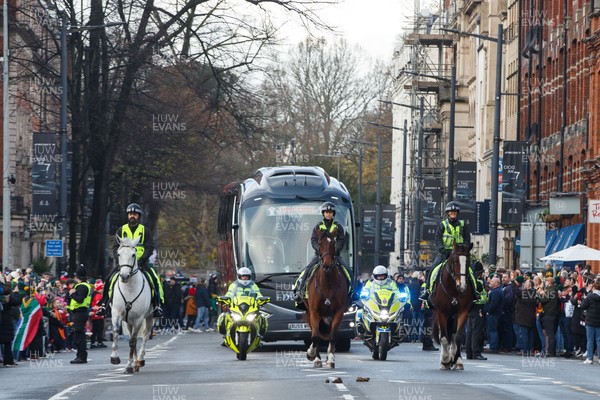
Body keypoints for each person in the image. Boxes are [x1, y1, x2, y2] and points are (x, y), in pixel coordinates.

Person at [97, 203, 163, 318]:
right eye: (131, 214)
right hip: (124, 263)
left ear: (139, 216)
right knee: (108, 280)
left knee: (154, 280)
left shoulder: (145, 231)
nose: (132, 216)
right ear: (128, 215)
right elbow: (115, 247)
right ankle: (104, 305)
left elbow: (149, 247)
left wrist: (142, 260)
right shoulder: (121, 230)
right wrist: (119, 260)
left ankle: (157, 306)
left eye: (135, 214)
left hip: (141, 263)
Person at [293, 202, 353, 308]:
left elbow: (341, 240)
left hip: (334, 256)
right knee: (307, 271)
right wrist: (319, 249)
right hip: (320, 255)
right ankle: (300, 292)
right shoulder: (318, 226)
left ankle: (353, 293)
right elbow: (313, 240)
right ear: (323, 214)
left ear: (333, 214)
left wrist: (335, 249)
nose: (328, 214)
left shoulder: (338, 227)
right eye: (326, 212)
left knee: (348, 271)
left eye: (330, 212)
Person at [419, 202, 479, 303]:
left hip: (459, 254)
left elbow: (467, 238)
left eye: (455, 212)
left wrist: (464, 248)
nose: (453, 213)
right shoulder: (442, 225)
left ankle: (474, 291)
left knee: (471, 271)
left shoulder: (463, 224)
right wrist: (442, 249)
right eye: (451, 212)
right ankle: (427, 291)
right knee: (432, 269)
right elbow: (438, 239)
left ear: (457, 213)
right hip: (445, 253)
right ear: (448, 213)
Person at [218, 267, 267, 337]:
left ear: (249, 277)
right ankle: (226, 334)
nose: (245, 278)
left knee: (261, 317)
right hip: (236, 306)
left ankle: (259, 334)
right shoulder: (234, 285)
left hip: (250, 306)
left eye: (246, 276)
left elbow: (258, 294)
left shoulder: (253, 285)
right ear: (239, 276)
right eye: (243, 276)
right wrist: (226, 298)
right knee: (225, 316)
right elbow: (229, 294)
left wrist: (261, 299)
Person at [67, 265, 92, 364]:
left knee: (79, 335)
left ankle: (81, 356)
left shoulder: (82, 286)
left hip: (80, 312)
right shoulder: (84, 285)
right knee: (79, 334)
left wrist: (72, 293)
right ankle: (80, 355)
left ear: (77, 276)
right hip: (80, 312)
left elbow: (79, 299)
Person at [465, 261, 488, 360]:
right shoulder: (478, 283)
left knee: (469, 331)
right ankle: (476, 352)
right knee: (476, 332)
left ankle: (469, 352)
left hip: (469, 309)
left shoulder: (468, 281)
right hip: (478, 308)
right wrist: (485, 298)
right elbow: (483, 298)